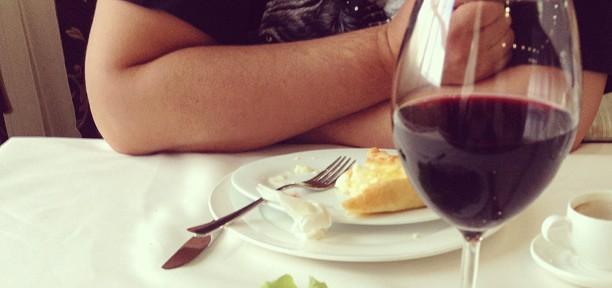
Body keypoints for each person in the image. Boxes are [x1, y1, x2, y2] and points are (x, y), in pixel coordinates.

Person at [85, 0, 611, 155]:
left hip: (472, 239)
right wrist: (391, 55)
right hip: (229, 227)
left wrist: (255, 115)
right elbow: (125, 101)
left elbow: (542, 114)